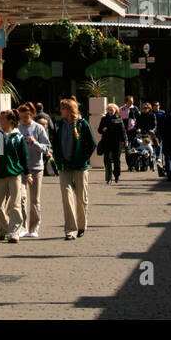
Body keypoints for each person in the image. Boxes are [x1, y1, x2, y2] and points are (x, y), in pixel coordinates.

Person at [51, 98, 95, 240]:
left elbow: (92, 143)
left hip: (79, 167)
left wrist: (83, 158)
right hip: (65, 166)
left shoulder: (82, 124)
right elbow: (55, 143)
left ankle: (82, 226)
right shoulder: (59, 125)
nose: (60, 111)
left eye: (63, 108)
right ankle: (70, 229)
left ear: (69, 110)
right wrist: (58, 160)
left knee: (82, 198)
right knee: (67, 197)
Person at [0, 109, 31, 242]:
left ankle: (14, 232)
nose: (0, 122)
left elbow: (23, 157)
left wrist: (28, 173)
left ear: (10, 121)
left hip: (14, 173)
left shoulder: (18, 137)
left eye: (3, 119)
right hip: (0, 173)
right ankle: (3, 228)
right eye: (0, 119)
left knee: (15, 204)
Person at [16, 104, 50, 237]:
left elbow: (47, 148)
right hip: (21, 168)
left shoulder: (38, 128)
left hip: (36, 167)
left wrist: (35, 143)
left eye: (27, 116)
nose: (25, 119)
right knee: (22, 198)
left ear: (32, 115)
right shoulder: (17, 129)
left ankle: (34, 228)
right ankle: (23, 226)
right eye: (22, 117)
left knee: (35, 200)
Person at [97, 103, 126, 184]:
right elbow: (99, 130)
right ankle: (109, 178)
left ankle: (116, 176)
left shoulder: (119, 119)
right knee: (107, 160)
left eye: (112, 110)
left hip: (117, 142)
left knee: (116, 160)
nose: (110, 111)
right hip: (106, 142)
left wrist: (125, 141)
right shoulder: (104, 119)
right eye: (109, 110)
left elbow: (123, 131)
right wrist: (103, 129)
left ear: (115, 110)